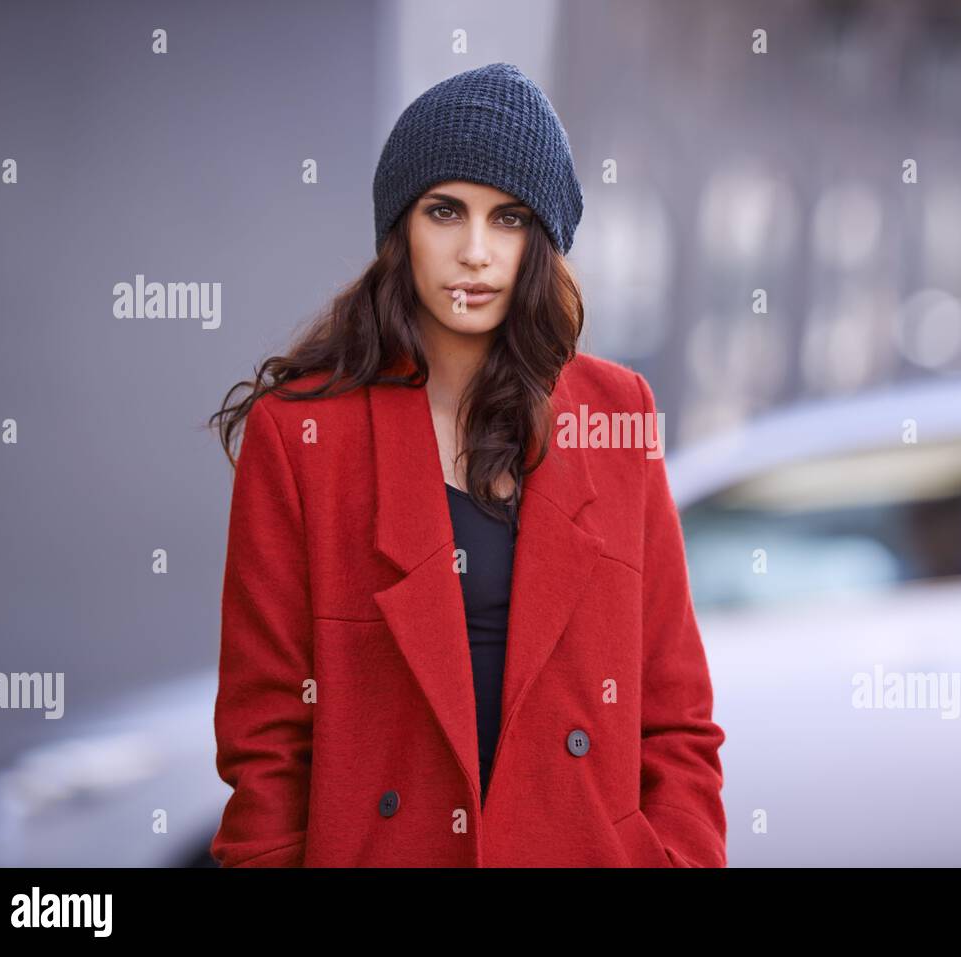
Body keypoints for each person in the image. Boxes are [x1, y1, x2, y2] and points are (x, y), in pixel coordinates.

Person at [206, 62, 726, 867]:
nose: (476, 252)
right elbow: (266, 740)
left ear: (541, 241)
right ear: (401, 228)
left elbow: (677, 713)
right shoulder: (303, 437)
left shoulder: (615, 412)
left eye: (509, 218)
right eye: (445, 211)